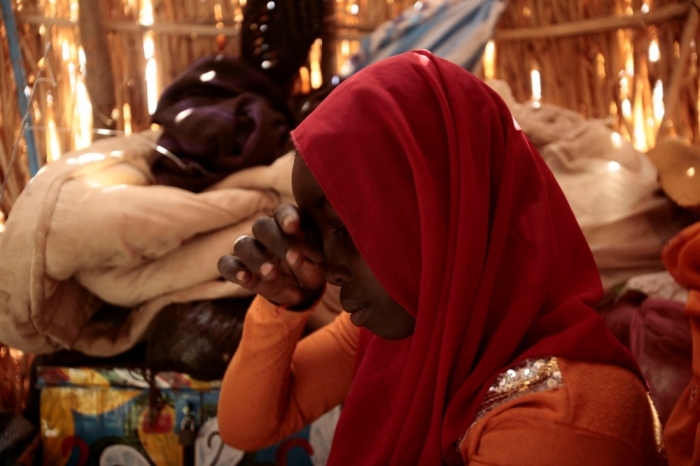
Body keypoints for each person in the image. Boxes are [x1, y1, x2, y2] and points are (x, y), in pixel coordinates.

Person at [216, 50, 666, 464]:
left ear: (440, 213)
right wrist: (285, 303)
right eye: (316, 234)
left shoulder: (561, 420)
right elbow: (246, 426)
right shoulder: (414, 330)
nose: (329, 268)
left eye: (348, 228)